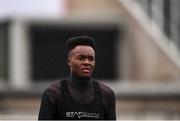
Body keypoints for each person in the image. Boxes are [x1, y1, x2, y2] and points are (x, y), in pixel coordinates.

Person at [38, 35, 116, 120]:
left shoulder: (106, 94)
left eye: (91, 59)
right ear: (69, 61)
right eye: (81, 58)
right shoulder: (53, 94)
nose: (87, 62)